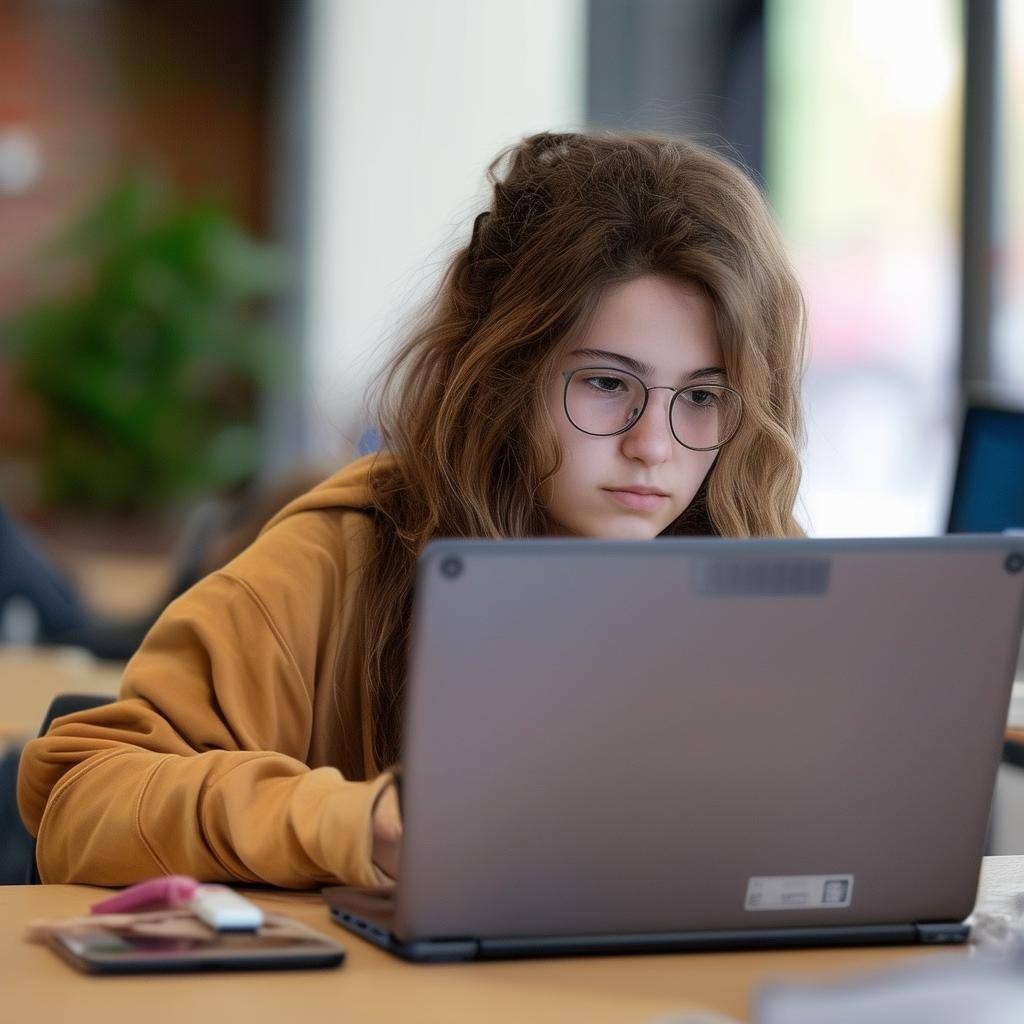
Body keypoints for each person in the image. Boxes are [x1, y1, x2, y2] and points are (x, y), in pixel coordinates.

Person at [17, 130, 806, 888]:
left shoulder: (765, 570)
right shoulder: (342, 557)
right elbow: (86, 799)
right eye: (605, 384)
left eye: (702, 396)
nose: (654, 445)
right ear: (503, 373)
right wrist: (355, 825)